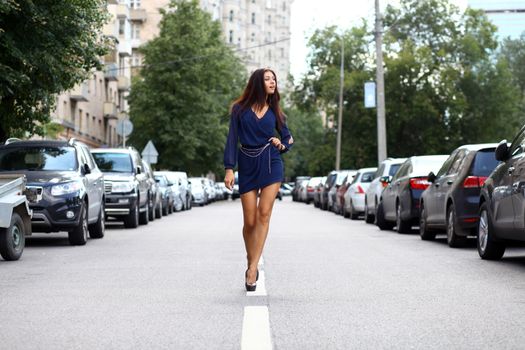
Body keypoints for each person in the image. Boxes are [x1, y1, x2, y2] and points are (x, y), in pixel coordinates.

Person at [223, 68, 294, 292]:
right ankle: (250, 257)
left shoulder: (276, 111)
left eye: (274, 79)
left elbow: (288, 138)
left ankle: (252, 269)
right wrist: (229, 168)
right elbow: (232, 138)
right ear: (257, 82)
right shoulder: (239, 109)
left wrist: (282, 145)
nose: (272, 82)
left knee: (264, 212)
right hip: (247, 164)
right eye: (267, 79)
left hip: (271, 162)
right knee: (250, 221)